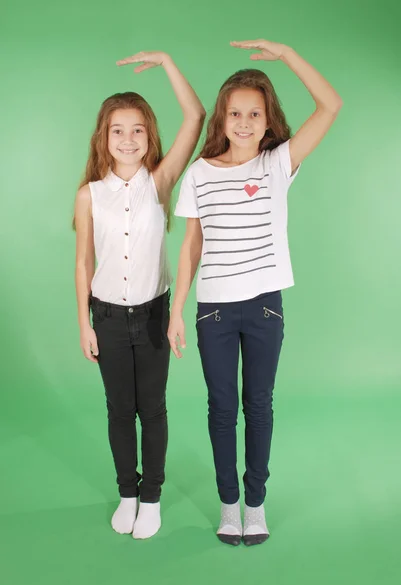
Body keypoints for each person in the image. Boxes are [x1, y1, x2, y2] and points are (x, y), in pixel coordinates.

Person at [168, 39, 342, 546]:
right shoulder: (199, 174)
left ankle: (256, 504)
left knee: (258, 405)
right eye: (234, 113)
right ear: (221, 119)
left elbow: (330, 105)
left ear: (268, 121)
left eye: (254, 113)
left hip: (265, 307)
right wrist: (177, 309)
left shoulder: (278, 164)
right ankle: (229, 505)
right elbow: (191, 247)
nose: (243, 122)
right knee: (222, 406)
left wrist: (288, 54)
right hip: (214, 310)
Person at [74, 50, 205, 539]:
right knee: (117, 410)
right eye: (117, 130)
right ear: (103, 138)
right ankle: (126, 492)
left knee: (152, 409)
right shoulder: (89, 194)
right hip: (107, 317)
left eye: (137, 130)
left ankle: (151, 497)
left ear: (149, 136)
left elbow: (195, 117)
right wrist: (84, 323)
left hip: (152, 315)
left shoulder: (159, 181)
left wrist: (169, 62)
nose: (128, 139)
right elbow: (83, 263)